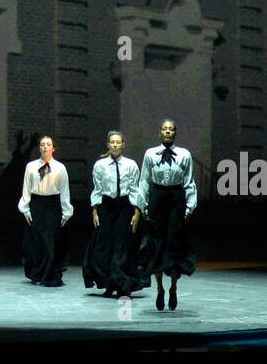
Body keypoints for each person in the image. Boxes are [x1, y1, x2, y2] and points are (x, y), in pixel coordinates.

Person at [134, 119, 198, 310]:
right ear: (160, 132)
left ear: (175, 133)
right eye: (165, 129)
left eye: (171, 129)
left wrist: (189, 207)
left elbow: (189, 181)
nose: (168, 132)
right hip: (158, 197)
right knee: (157, 245)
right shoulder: (150, 154)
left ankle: (173, 288)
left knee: (174, 245)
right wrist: (142, 205)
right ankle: (160, 289)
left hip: (176, 199)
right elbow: (144, 180)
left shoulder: (184, 154)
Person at [81, 131, 144, 298]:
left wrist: (137, 212)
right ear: (108, 144)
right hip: (107, 206)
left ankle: (122, 284)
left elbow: (134, 189)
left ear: (123, 145)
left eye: (118, 142)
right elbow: (97, 189)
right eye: (112, 142)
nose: (115, 145)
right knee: (105, 245)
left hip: (124, 206)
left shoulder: (130, 165)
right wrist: (95, 211)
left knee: (122, 246)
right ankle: (109, 284)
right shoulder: (100, 165)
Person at [17, 135, 72, 286]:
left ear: (53, 148)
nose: (45, 147)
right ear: (39, 148)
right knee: (36, 241)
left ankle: (51, 274)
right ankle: (38, 272)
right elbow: (26, 188)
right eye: (42, 144)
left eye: (48, 144)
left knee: (51, 241)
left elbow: (64, 190)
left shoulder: (60, 168)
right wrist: (25, 209)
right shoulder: (31, 166)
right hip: (36, 204)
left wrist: (66, 211)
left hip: (53, 205)